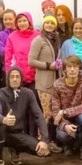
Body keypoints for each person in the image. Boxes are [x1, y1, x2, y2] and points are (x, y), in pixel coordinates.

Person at [0, 66, 51, 165]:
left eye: (17, 77)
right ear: (8, 79)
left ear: (21, 79)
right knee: (0, 126)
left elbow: (38, 116)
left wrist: (44, 140)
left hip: (17, 133)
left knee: (42, 152)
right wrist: (4, 119)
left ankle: (14, 149)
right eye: (12, 77)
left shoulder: (28, 93)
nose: (15, 79)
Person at [28, 15, 63, 153]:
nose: (49, 25)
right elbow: (31, 61)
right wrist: (49, 65)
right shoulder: (38, 40)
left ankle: (51, 141)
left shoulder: (56, 39)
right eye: (47, 23)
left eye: (52, 23)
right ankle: (43, 142)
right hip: (44, 82)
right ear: (43, 25)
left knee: (54, 113)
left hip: (56, 81)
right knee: (46, 114)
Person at [52, 55, 82, 160]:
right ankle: (69, 145)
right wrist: (65, 125)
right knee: (63, 135)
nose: (72, 69)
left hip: (80, 115)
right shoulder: (57, 84)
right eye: (69, 67)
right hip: (66, 120)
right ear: (65, 69)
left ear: (79, 68)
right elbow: (55, 112)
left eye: (75, 66)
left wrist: (64, 111)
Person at [4, 12, 40, 93]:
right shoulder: (12, 37)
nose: (22, 23)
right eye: (19, 21)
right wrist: (9, 73)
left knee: (33, 98)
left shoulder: (37, 35)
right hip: (18, 77)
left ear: (29, 21)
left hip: (35, 76)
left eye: (24, 21)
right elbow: (8, 57)